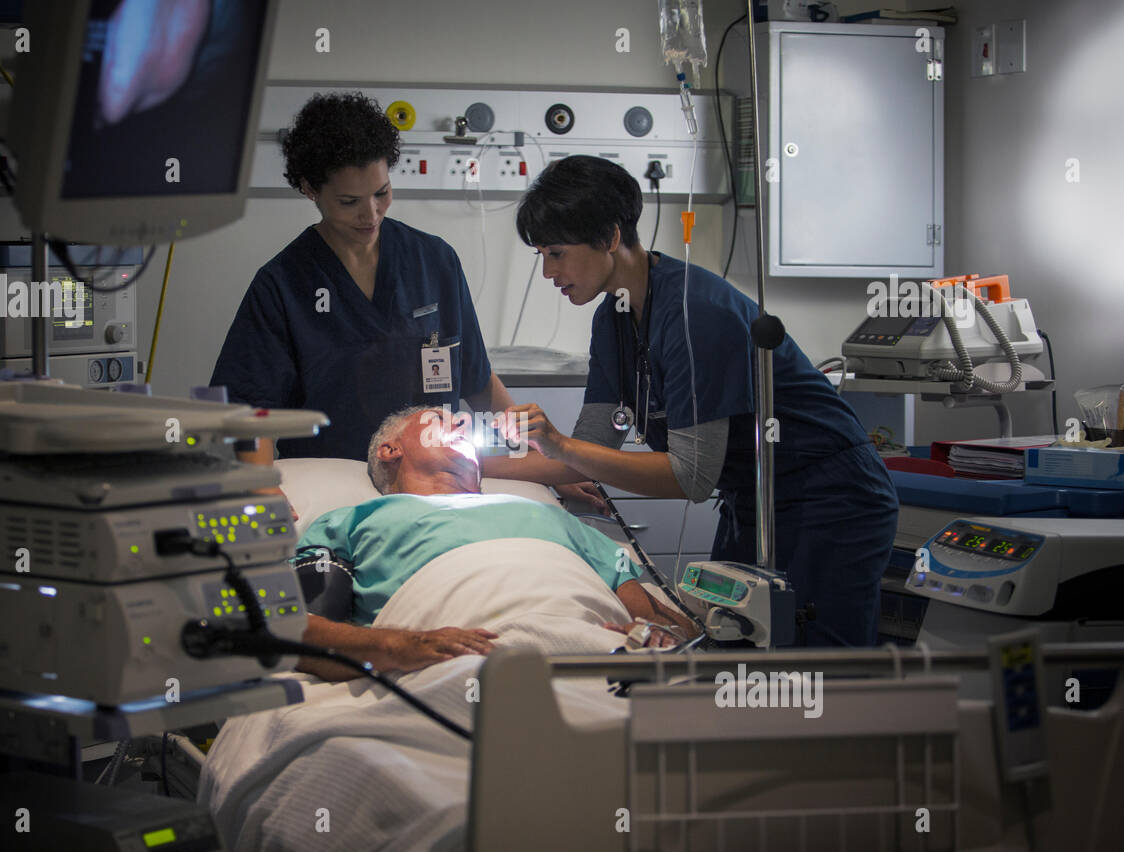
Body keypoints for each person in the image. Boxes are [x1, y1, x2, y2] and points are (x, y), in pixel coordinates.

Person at [494, 156, 898, 648]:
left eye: (556, 252)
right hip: (753, 500)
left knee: (820, 673)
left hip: (832, 499)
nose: (547, 272)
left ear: (610, 237)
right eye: (541, 255)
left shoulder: (696, 313)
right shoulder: (614, 320)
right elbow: (587, 449)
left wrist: (560, 446)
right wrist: (474, 469)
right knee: (735, 651)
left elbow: (689, 477)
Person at [210, 92, 519, 465]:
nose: (370, 214)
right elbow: (250, 411)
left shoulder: (434, 261)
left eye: (381, 193)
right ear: (310, 189)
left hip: (433, 477)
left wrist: (541, 459)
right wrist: (260, 491)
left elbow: (478, 380)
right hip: (334, 481)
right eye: (348, 202)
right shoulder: (282, 286)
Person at [290, 407, 700, 681]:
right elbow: (295, 633)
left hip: (592, 658)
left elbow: (671, 626)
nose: (463, 424)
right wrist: (401, 645)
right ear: (390, 449)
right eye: (438, 419)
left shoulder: (549, 515)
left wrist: (658, 636)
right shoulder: (351, 522)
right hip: (449, 665)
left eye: (466, 422)